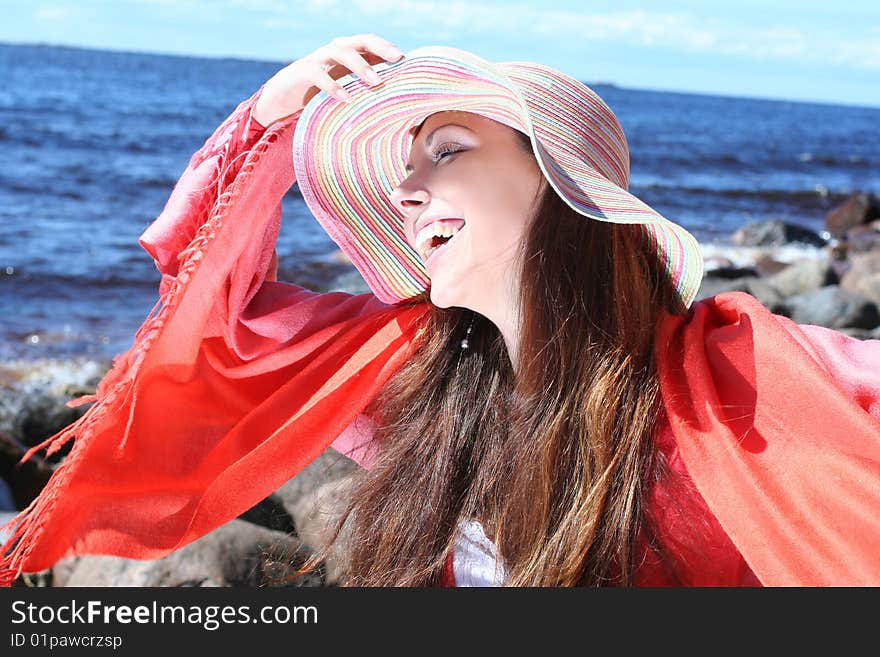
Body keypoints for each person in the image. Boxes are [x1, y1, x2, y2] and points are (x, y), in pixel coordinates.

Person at [2, 35, 880, 587]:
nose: (409, 191)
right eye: (404, 169)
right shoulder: (411, 377)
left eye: (446, 151)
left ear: (562, 184)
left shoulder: (738, 379)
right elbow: (219, 315)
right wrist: (266, 128)